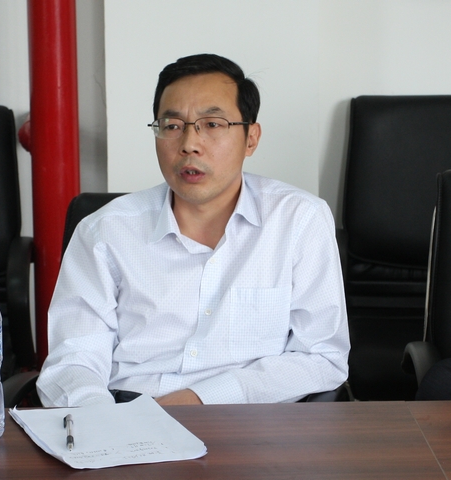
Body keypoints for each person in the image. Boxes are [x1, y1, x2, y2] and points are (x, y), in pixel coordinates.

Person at [36, 53, 350, 407]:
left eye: (212, 124)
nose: (188, 143)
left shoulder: (299, 220)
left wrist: (198, 400)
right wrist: (104, 421)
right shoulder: (105, 231)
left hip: (250, 420)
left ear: (251, 138)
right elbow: (74, 358)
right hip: (124, 413)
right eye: (172, 126)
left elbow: (322, 356)